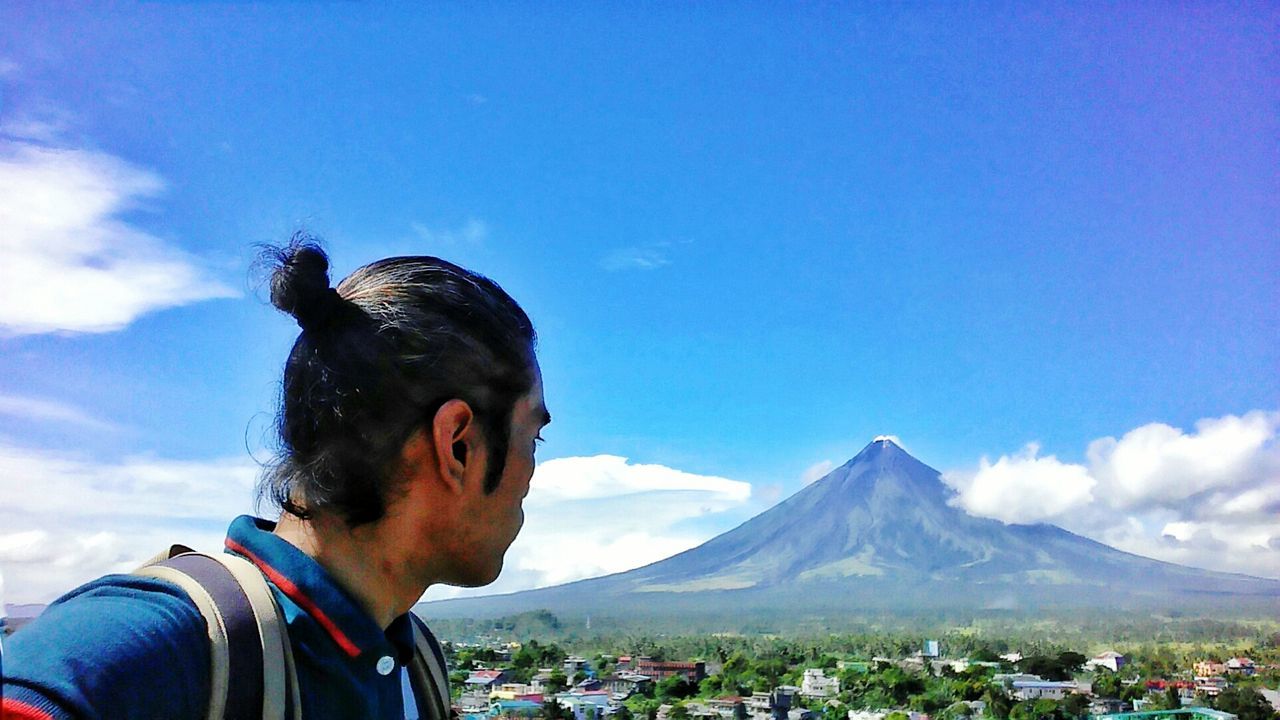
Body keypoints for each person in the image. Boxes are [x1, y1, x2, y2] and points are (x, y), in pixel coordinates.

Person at [1, 239, 550, 719]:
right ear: (457, 444)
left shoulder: (414, 664)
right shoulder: (160, 647)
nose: (531, 473)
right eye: (533, 436)